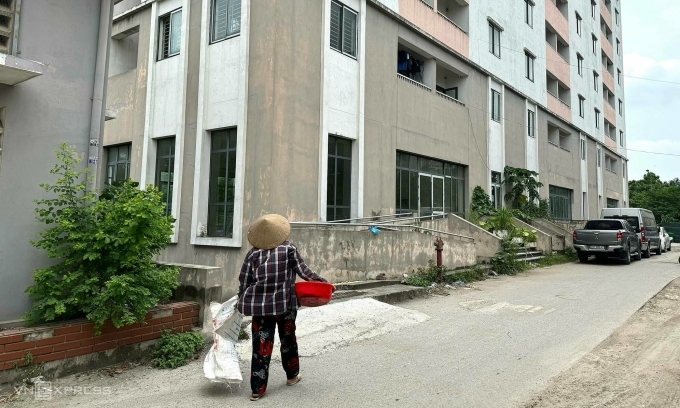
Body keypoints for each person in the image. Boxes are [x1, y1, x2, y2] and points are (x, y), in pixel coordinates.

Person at [237, 214, 330, 401]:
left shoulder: (253, 254)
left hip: (260, 308)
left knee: (261, 346)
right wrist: (323, 283)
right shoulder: (288, 249)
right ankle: (292, 376)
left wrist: (240, 299)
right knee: (288, 340)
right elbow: (304, 271)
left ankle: (258, 389)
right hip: (285, 305)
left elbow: (244, 281)